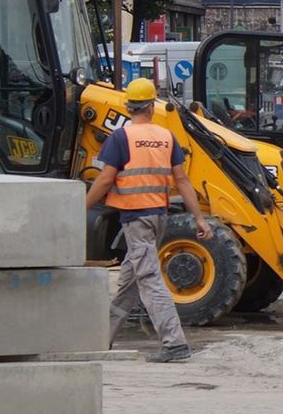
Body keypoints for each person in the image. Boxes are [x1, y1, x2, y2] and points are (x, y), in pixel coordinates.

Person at [85, 78, 211, 363]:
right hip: (158, 217)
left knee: (150, 280)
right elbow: (182, 180)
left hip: (136, 219)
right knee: (129, 282)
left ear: (128, 107)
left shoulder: (121, 138)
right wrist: (199, 219)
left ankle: (174, 343)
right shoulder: (167, 137)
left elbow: (105, 178)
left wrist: (80, 206)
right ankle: (101, 338)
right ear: (152, 107)